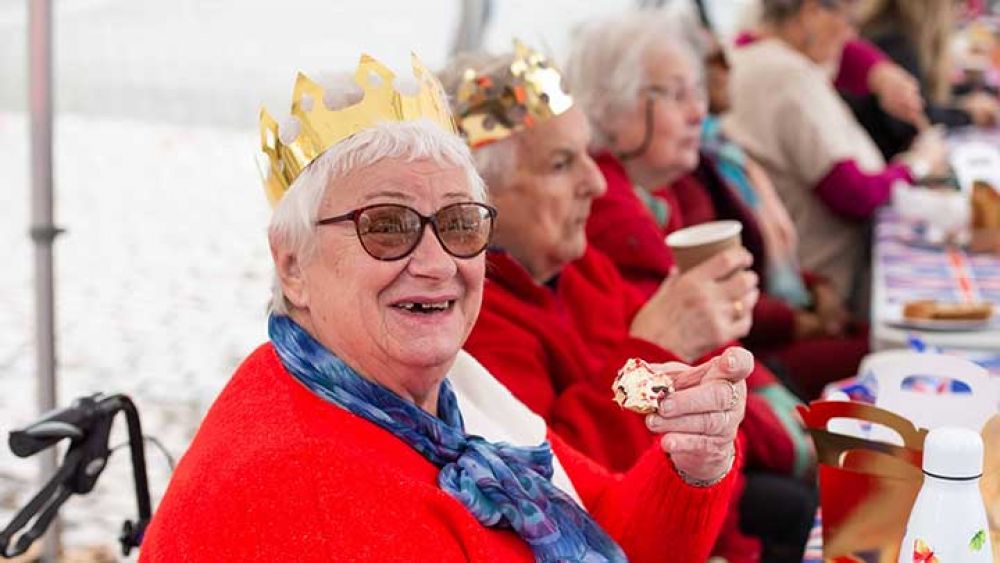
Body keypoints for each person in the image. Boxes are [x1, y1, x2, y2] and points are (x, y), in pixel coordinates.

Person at [138, 54, 750, 562]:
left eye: (458, 223)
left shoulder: (451, 393)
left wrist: (695, 462)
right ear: (292, 264)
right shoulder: (299, 484)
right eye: (385, 226)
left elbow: (609, 523)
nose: (436, 263)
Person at [443, 42, 814, 563]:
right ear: (480, 199)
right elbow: (554, 486)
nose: (595, 183)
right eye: (560, 164)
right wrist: (654, 349)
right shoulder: (470, 325)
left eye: (587, 156)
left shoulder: (578, 267)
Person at [724, 0, 949, 316]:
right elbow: (852, 194)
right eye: (849, 21)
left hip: (803, 269)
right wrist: (918, 164)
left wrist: (881, 75)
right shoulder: (788, 76)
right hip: (831, 283)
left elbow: (843, 59)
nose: (851, 36)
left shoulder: (749, 49)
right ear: (813, 12)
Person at [852, 0, 1000, 158]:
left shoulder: (890, 28)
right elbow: (914, 118)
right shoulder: (895, 42)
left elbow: (923, 92)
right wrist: (969, 115)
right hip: (888, 160)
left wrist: (984, 91)